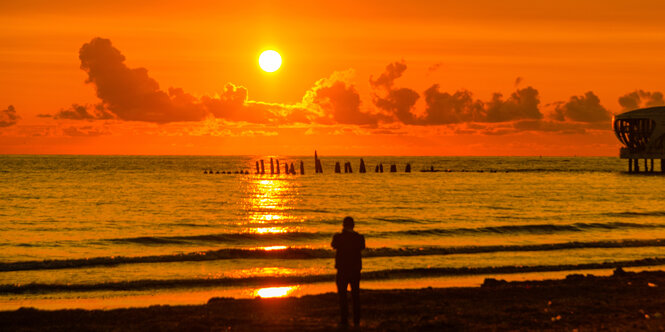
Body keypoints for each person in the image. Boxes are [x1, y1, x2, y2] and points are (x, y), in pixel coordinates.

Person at [331, 216, 366, 328]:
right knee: (355, 296)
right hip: (355, 270)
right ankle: (356, 320)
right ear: (353, 225)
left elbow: (333, 245)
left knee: (343, 296)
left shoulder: (338, 237)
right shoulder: (359, 238)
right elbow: (362, 247)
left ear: (343, 225)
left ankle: (344, 320)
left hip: (342, 270)